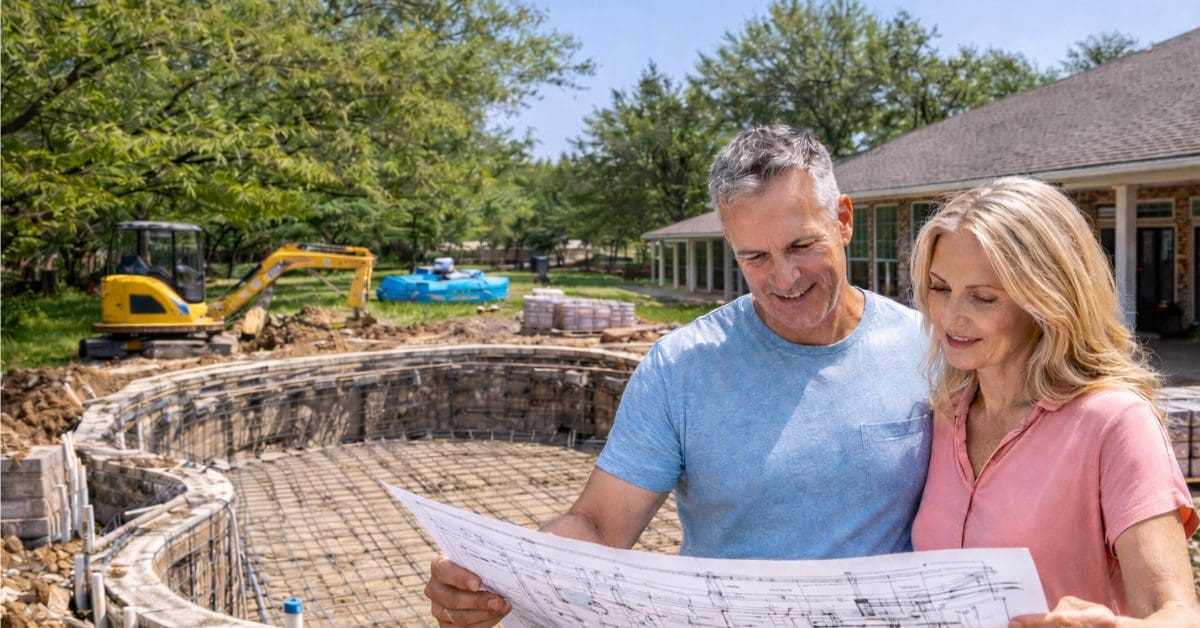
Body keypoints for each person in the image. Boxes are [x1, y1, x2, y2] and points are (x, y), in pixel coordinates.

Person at [425, 125, 933, 626]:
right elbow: (599, 524)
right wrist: (501, 580)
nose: (784, 277)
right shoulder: (682, 367)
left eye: (802, 246)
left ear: (842, 220)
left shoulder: (926, 347)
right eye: (755, 257)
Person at [907, 177, 1200, 626]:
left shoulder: (1114, 421)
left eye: (984, 297)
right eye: (940, 287)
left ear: (1047, 301)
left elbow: (1177, 614)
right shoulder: (943, 414)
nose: (950, 316)